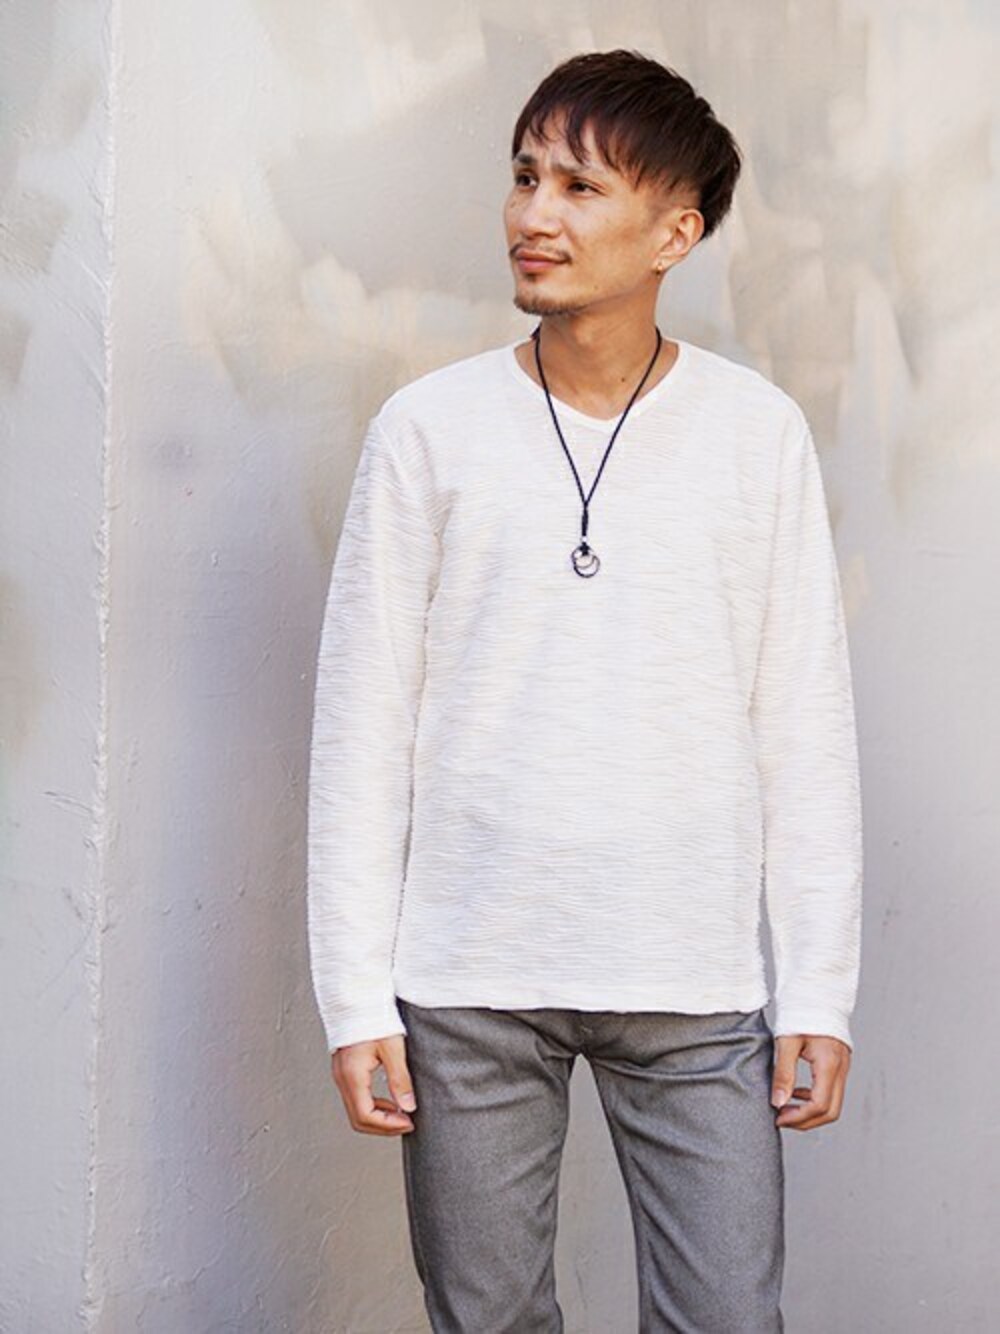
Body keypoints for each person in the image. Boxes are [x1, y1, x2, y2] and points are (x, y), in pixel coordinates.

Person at [307, 47, 863, 1333]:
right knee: (487, 1319)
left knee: (726, 1316)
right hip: (467, 978)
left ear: (676, 231)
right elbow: (361, 727)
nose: (533, 214)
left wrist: (818, 987)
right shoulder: (427, 429)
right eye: (523, 177)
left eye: (578, 185)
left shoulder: (756, 433)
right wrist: (354, 993)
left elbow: (802, 723)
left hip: (690, 972)